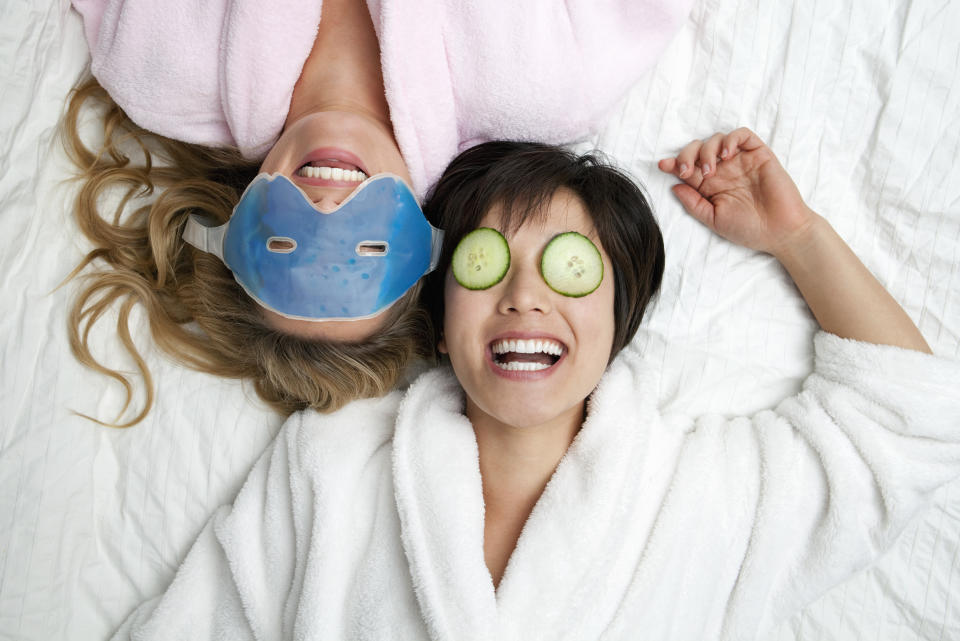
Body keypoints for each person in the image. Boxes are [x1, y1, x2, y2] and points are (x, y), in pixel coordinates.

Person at [109, 132, 958, 640]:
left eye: (570, 267)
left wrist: (797, 235)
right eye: (485, 265)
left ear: (617, 325)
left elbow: (909, 419)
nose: (524, 295)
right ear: (441, 321)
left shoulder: (700, 496)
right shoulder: (332, 467)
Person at [43, 0, 731, 423]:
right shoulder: (541, 81)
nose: (328, 204)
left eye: (287, 241)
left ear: (234, 229)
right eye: (367, 248)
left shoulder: (161, 65)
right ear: (430, 247)